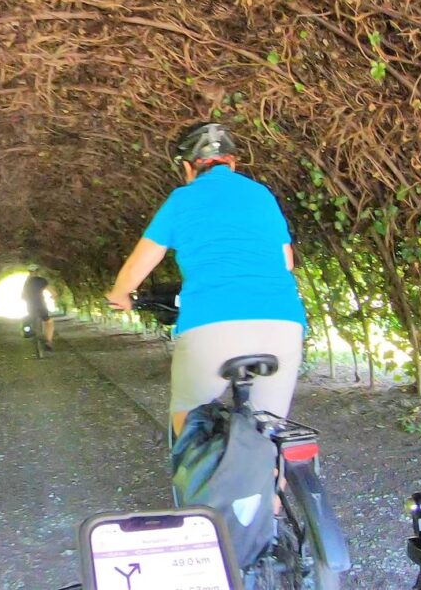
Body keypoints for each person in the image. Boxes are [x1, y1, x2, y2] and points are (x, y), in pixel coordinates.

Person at [106, 122, 306, 437]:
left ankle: (195, 478)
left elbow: (139, 264)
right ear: (233, 162)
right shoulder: (262, 195)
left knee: (189, 412)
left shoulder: (182, 199)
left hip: (212, 324)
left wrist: (121, 294)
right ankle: (276, 482)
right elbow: (287, 262)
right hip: (281, 324)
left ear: (188, 167)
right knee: (271, 429)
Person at [22, 265, 55, 351]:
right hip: (40, 304)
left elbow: (23, 296)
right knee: (49, 322)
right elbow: (52, 292)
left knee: (29, 317)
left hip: (30, 305)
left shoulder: (27, 282)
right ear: (38, 272)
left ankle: (27, 330)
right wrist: (53, 296)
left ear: (29, 272)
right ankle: (48, 342)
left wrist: (27, 299)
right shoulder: (42, 281)